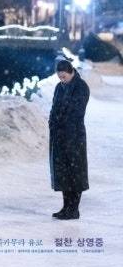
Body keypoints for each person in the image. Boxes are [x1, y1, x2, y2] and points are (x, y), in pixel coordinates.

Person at [48, 59, 90, 220]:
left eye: (64, 76)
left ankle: (74, 209)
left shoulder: (81, 87)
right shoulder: (59, 87)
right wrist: (52, 123)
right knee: (63, 173)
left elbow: (76, 111)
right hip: (59, 135)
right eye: (59, 77)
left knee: (75, 172)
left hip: (74, 135)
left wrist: (61, 122)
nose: (62, 80)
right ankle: (66, 207)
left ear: (71, 72)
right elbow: (54, 108)